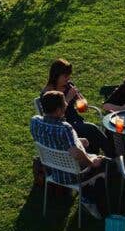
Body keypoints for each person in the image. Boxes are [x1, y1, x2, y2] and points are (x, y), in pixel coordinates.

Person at [30, 90, 109, 218]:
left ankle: (87, 194)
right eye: (64, 103)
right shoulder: (65, 128)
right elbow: (76, 154)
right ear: (58, 110)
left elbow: (53, 142)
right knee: (103, 162)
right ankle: (92, 202)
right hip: (71, 175)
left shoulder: (35, 121)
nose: (67, 105)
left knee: (87, 149)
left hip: (51, 170)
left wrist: (78, 141)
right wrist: (91, 163)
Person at [42, 59, 112, 156]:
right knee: (92, 129)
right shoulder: (48, 93)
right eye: (65, 76)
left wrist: (81, 100)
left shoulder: (68, 86)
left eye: (69, 75)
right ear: (56, 75)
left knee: (91, 134)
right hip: (63, 125)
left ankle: (95, 158)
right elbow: (54, 116)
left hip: (76, 120)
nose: (68, 79)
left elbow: (84, 104)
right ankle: (113, 155)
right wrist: (68, 98)